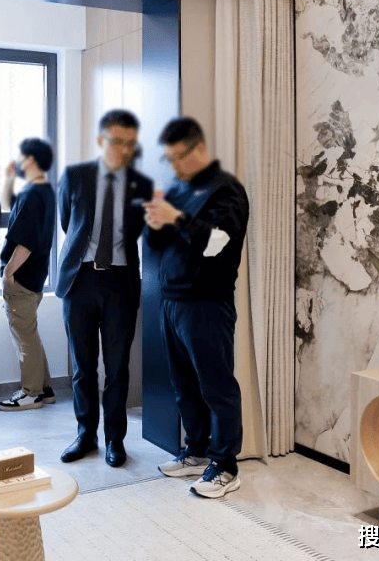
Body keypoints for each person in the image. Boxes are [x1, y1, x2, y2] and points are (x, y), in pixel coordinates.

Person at [143, 116, 249, 500]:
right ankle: (197, 451)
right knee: (184, 385)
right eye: (168, 158)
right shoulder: (178, 189)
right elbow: (160, 246)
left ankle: (226, 467)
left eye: (178, 157)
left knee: (216, 387)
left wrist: (178, 218)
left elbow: (217, 243)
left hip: (207, 303)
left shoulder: (226, 190)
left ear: (199, 148)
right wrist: (156, 223)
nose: (173, 165)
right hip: (172, 300)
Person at [56, 110, 153, 467]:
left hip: (119, 283)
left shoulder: (140, 185)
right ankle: (86, 435)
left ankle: (115, 440)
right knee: (82, 368)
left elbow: (140, 231)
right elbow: (68, 222)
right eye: (116, 141)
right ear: (101, 140)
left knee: (117, 369)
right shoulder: (75, 176)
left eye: (130, 143)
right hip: (80, 281)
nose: (123, 149)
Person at [0, 138, 57, 411]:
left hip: (22, 278)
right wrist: (9, 178)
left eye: (22, 157)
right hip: (35, 277)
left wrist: (9, 273)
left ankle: (32, 393)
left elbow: (27, 242)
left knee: (24, 338)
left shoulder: (33, 195)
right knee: (30, 335)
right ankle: (45, 389)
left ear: (30, 160)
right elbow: (8, 203)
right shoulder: (42, 191)